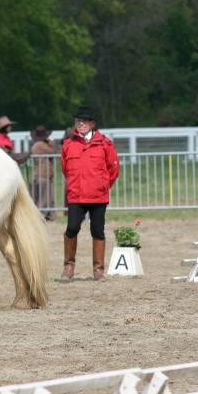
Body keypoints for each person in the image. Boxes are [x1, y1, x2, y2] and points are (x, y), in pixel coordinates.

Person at [61, 106, 120, 281]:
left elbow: (114, 167)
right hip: (76, 196)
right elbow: (65, 169)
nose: (80, 124)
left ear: (92, 124)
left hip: (98, 196)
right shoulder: (68, 145)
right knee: (71, 229)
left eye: (84, 121)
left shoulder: (105, 144)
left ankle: (98, 270)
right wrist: (75, 183)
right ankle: (68, 267)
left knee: (97, 231)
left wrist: (102, 185)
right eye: (78, 121)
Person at [30, 125, 56, 221]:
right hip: (43, 175)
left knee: (46, 196)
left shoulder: (37, 145)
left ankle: (50, 215)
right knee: (44, 198)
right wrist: (52, 142)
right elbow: (53, 151)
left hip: (42, 175)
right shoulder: (41, 145)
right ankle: (39, 217)